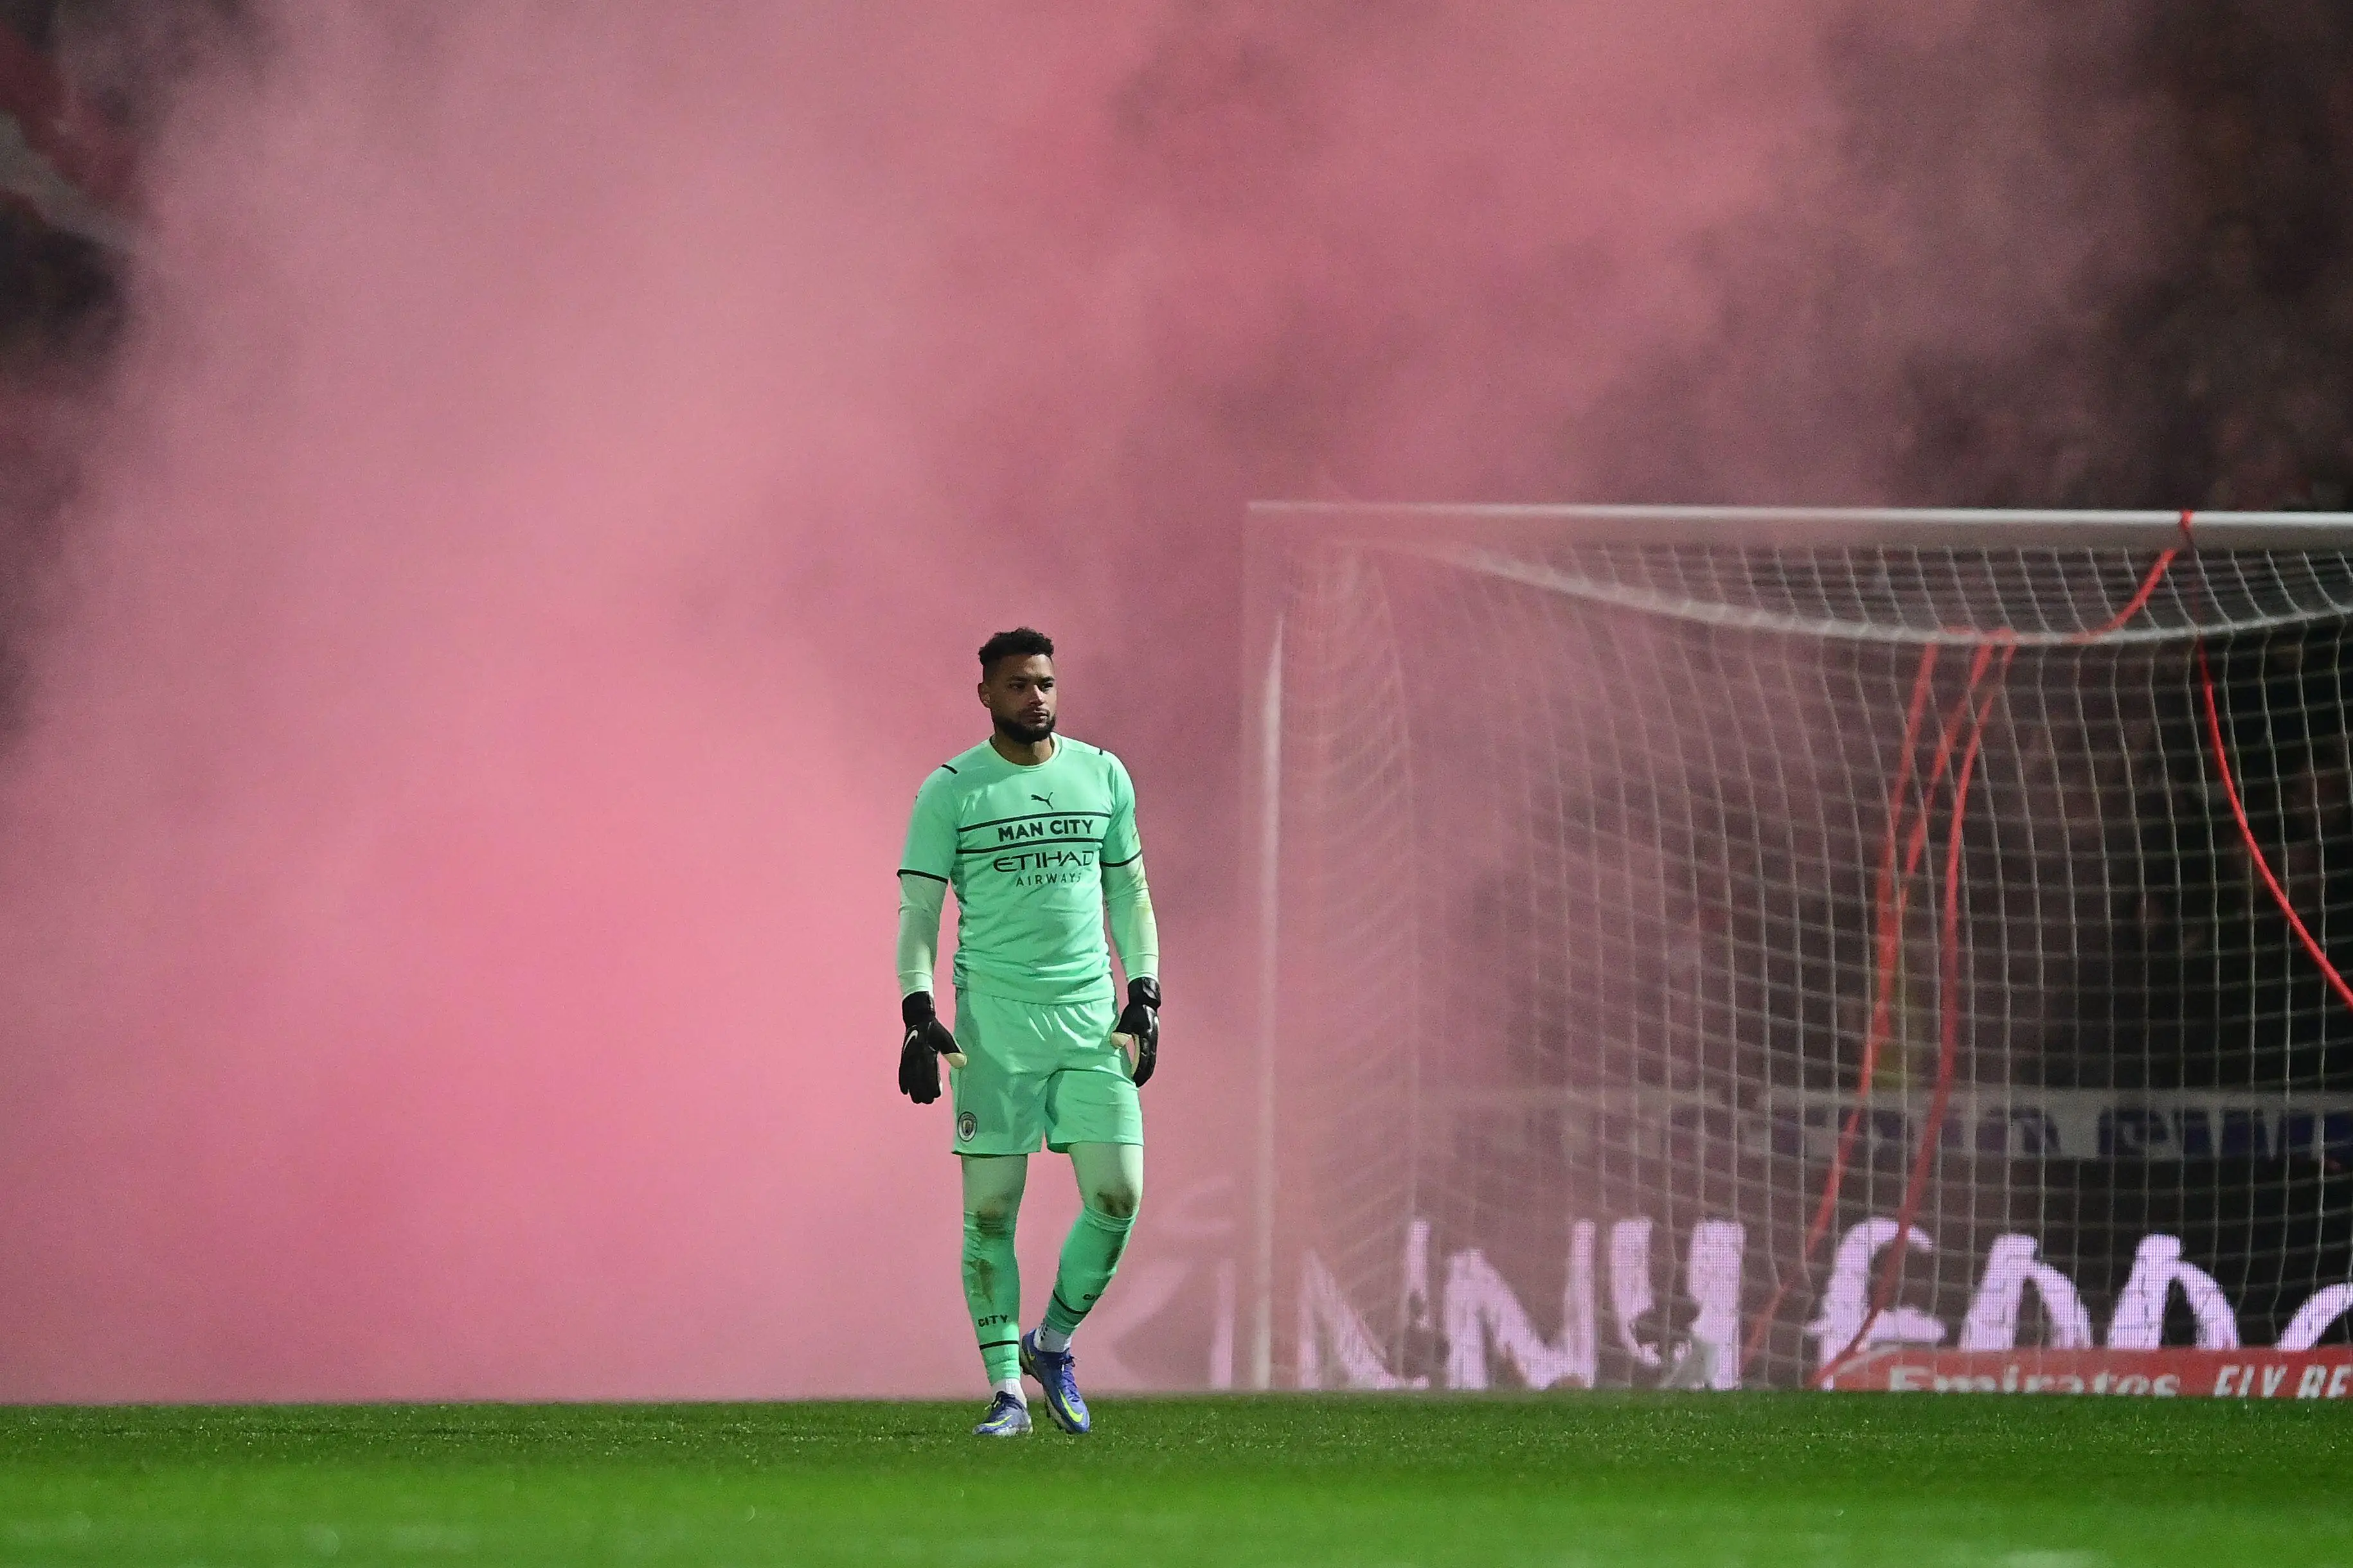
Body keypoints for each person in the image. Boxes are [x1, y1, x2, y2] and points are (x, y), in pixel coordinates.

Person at [895, 627, 1160, 1436]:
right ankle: (1007, 1392)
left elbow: (1130, 895)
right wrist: (915, 1009)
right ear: (986, 696)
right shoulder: (951, 790)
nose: (1034, 697)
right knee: (989, 1216)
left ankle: (1054, 1343)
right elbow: (919, 913)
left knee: (1119, 1194)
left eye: (1043, 682)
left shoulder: (1102, 773)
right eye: (1016, 685)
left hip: (1089, 1023)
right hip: (993, 1030)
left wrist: (1144, 991)